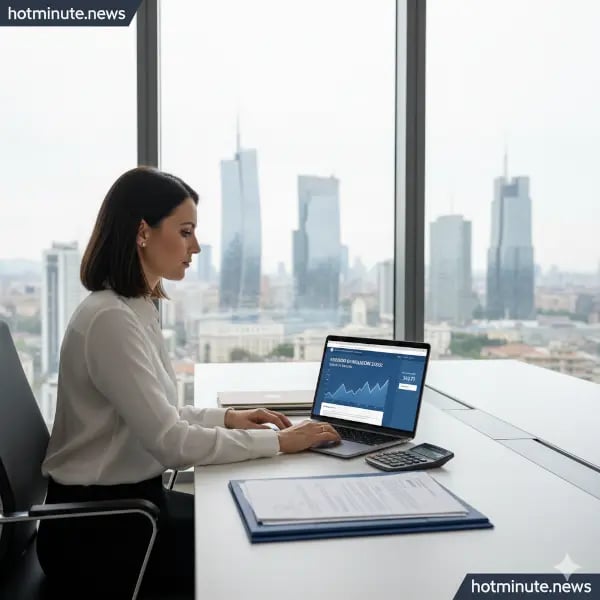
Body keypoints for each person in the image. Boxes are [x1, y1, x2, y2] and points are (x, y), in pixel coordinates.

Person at [36, 166, 340, 599]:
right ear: (143, 232)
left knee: (247, 528)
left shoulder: (134, 307)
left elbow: (159, 414)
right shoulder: (110, 320)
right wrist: (281, 443)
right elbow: (171, 443)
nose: (195, 246)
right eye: (184, 231)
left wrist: (228, 417)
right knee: (248, 551)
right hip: (99, 533)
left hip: (128, 507)